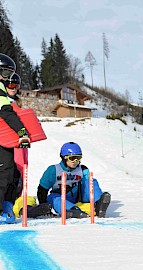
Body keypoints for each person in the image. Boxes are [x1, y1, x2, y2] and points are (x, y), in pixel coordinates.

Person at [5, 72, 52, 218]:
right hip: (10, 146)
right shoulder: (5, 102)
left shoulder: (15, 101)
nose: (13, 88)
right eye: (10, 85)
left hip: (21, 145)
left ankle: (24, 206)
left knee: (20, 177)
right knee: (12, 176)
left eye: (16, 85)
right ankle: (14, 207)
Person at [36, 142, 111, 218]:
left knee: (91, 181)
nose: (75, 161)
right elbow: (42, 189)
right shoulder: (53, 170)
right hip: (61, 197)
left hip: (78, 197)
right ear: (64, 157)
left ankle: (99, 204)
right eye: (72, 158)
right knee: (51, 197)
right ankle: (71, 210)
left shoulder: (82, 169)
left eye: (78, 158)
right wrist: (43, 206)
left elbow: (88, 187)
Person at [0, 53, 30, 224]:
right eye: (5, 74)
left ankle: (6, 207)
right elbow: (6, 112)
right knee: (5, 174)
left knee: (12, 174)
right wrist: (22, 131)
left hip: (6, 139)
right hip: (5, 139)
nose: (6, 79)